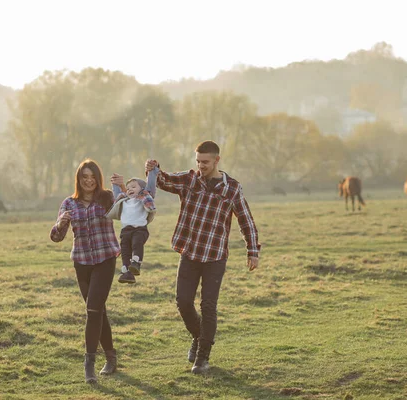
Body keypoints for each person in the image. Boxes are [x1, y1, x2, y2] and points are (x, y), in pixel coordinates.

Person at [145, 140, 260, 374]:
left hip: (215, 256)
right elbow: (163, 180)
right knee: (183, 302)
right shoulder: (190, 180)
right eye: (198, 161)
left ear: (217, 160)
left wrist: (252, 250)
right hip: (189, 252)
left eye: (205, 162)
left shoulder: (232, 189)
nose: (201, 166)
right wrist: (153, 168)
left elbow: (246, 220)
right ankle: (198, 337)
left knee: (208, 306)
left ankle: (202, 359)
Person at [49, 159, 120, 384]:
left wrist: (124, 189)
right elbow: (56, 237)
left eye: (92, 177)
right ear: (79, 180)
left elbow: (128, 211)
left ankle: (89, 364)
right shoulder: (69, 203)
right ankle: (111, 357)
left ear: (98, 179)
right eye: (84, 177)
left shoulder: (107, 197)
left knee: (92, 310)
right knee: (98, 311)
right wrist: (60, 224)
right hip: (81, 262)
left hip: (105, 259)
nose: (89, 181)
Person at [106, 166, 160, 284]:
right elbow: (117, 193)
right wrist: (115, 183)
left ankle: (136, 262)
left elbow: (150, 186)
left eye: (134, 187)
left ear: (142, 189)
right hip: (126, 231)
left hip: (139, 229)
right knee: (125, 250)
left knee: (136, 244)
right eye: (128, 187)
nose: (130, 189)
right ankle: (126, 271)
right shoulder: (123, 200)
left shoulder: (144, 197)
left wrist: (152, 171)